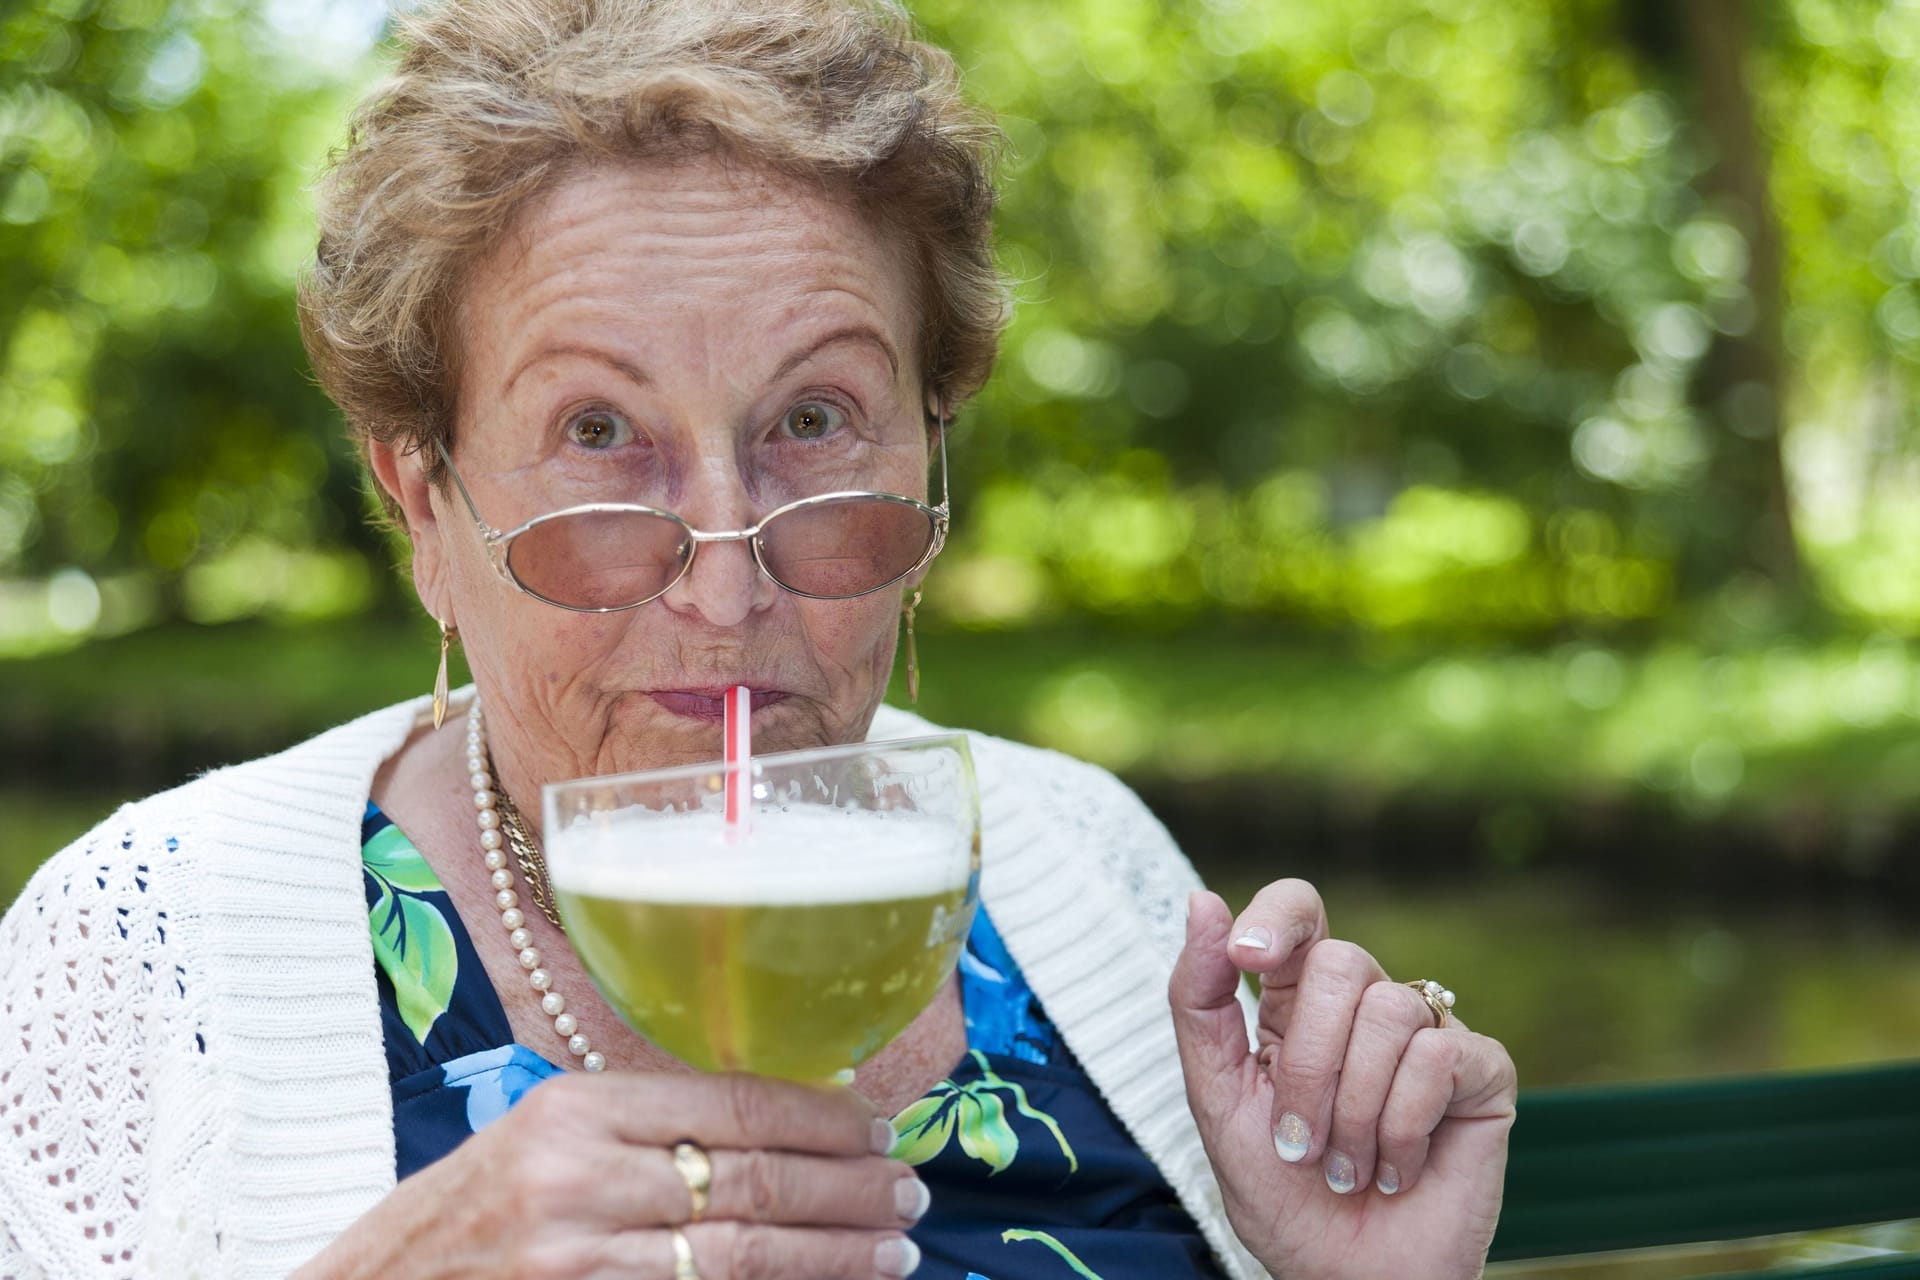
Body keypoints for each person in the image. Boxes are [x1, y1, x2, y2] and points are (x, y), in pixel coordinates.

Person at [0, 1, 1518, 1277]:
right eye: (598, 431)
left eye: (812, 421)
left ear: (931, 450)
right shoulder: (141, 963)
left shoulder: (1090, 862)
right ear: (423, 503)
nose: (726, 591)